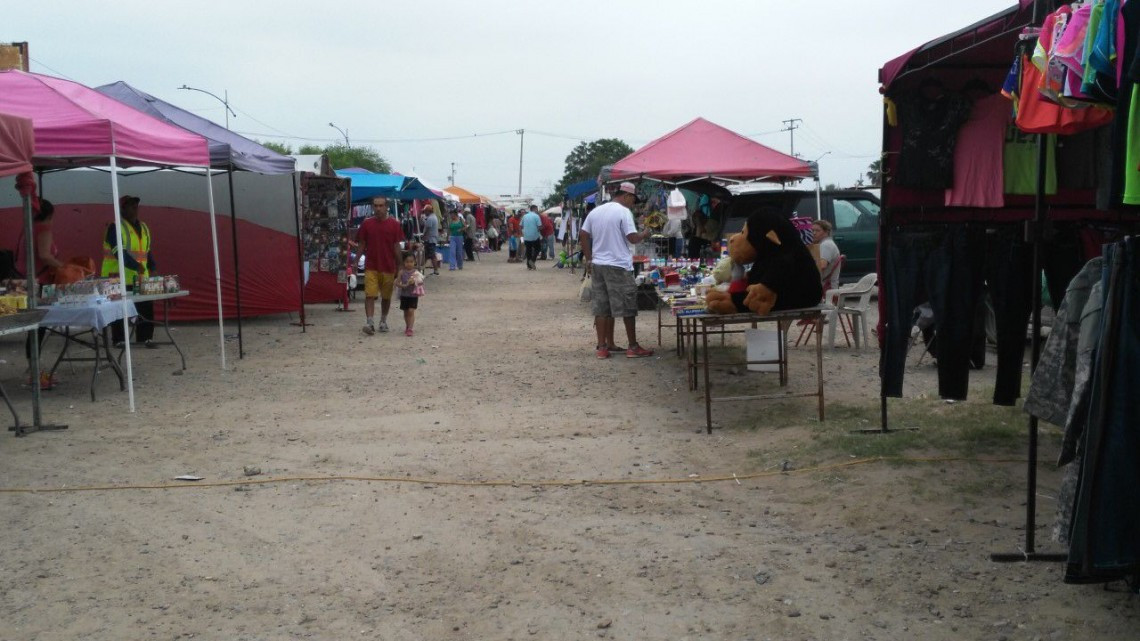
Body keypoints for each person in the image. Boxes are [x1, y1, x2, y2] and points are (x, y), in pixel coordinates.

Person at [580, 182, 655, 359]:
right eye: (633, 200)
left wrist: (589, 258)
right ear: (626, 196)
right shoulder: (623, 212)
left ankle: (603, 347)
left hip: (598, 265)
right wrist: (645, 233)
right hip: (619, 266)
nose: (633, 204)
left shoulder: (596, 211)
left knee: (602, 307)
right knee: (628, 306)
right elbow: (632, 238)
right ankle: (633, 347)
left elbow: (583, 234)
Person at [103, 195, 158, 347]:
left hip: (140, 276)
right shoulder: (115, 227)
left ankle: (145, 338)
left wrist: (152, 266)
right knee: (118, 310)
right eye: (131, 206)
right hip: (116, 276)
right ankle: (119, 340)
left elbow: (147, 251)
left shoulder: (144, 227)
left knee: (145, 307)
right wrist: (136, 266)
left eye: (136, 205)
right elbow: (118, 252)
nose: (135, 208)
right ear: (122, 209)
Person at [356, 197, 404, 335]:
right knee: (369, 295)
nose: (378, 208)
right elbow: (362, 244)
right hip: (371, 265)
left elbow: (396, 246)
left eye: (381, 205)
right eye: (376, 205)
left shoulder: (394, 225)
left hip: (388, 266)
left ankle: (383, 320)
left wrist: (400, 265)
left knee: (386, 297)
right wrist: (355, 262)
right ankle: (370, 322)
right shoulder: (367, 224)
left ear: (386, 206)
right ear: (372, 206)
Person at [394, 251, 424, 337]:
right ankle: (407, 325)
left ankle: (410, 328)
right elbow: (397, 283)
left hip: (413, 295)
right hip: (404, 295)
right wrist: (404, 285)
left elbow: (421, 282)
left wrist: (415, 282)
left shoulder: (416, 272)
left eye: (411, 262)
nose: (409, 264)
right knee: (406, 312)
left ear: (414, 262)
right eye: (407, 262)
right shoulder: (401, 272)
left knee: (411, 311)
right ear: (404, 262)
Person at [812, 220, 841, 294]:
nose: (814, 233)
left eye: (817, 230)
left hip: (826, 287)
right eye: (812, 230)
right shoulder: (824, 243)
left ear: (826, 232)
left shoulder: (826, 245)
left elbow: (822, 266)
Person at [521, 204, 542, 270]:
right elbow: (539, 226)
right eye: (537, 209)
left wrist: (524, 232)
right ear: (535, 209)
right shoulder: (536, 216)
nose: (537, 210)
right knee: (537, 249)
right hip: (535, 236)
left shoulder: (524, 216)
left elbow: (521, 226)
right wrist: (538, 230)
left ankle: (528, 265)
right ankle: (532, 261)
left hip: (526, 236)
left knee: (528, 250)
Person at [422, 203, 441, 275]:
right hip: (432, 239)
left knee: (432, 256)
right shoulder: (434, 217)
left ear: (428, 211)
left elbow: (427, 229)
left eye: (425, 211)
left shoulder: (430, 218)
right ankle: (421, 269)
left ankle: (436, 271)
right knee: (426, 255)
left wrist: (424, 237)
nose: (424, 213)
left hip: (430, 239)